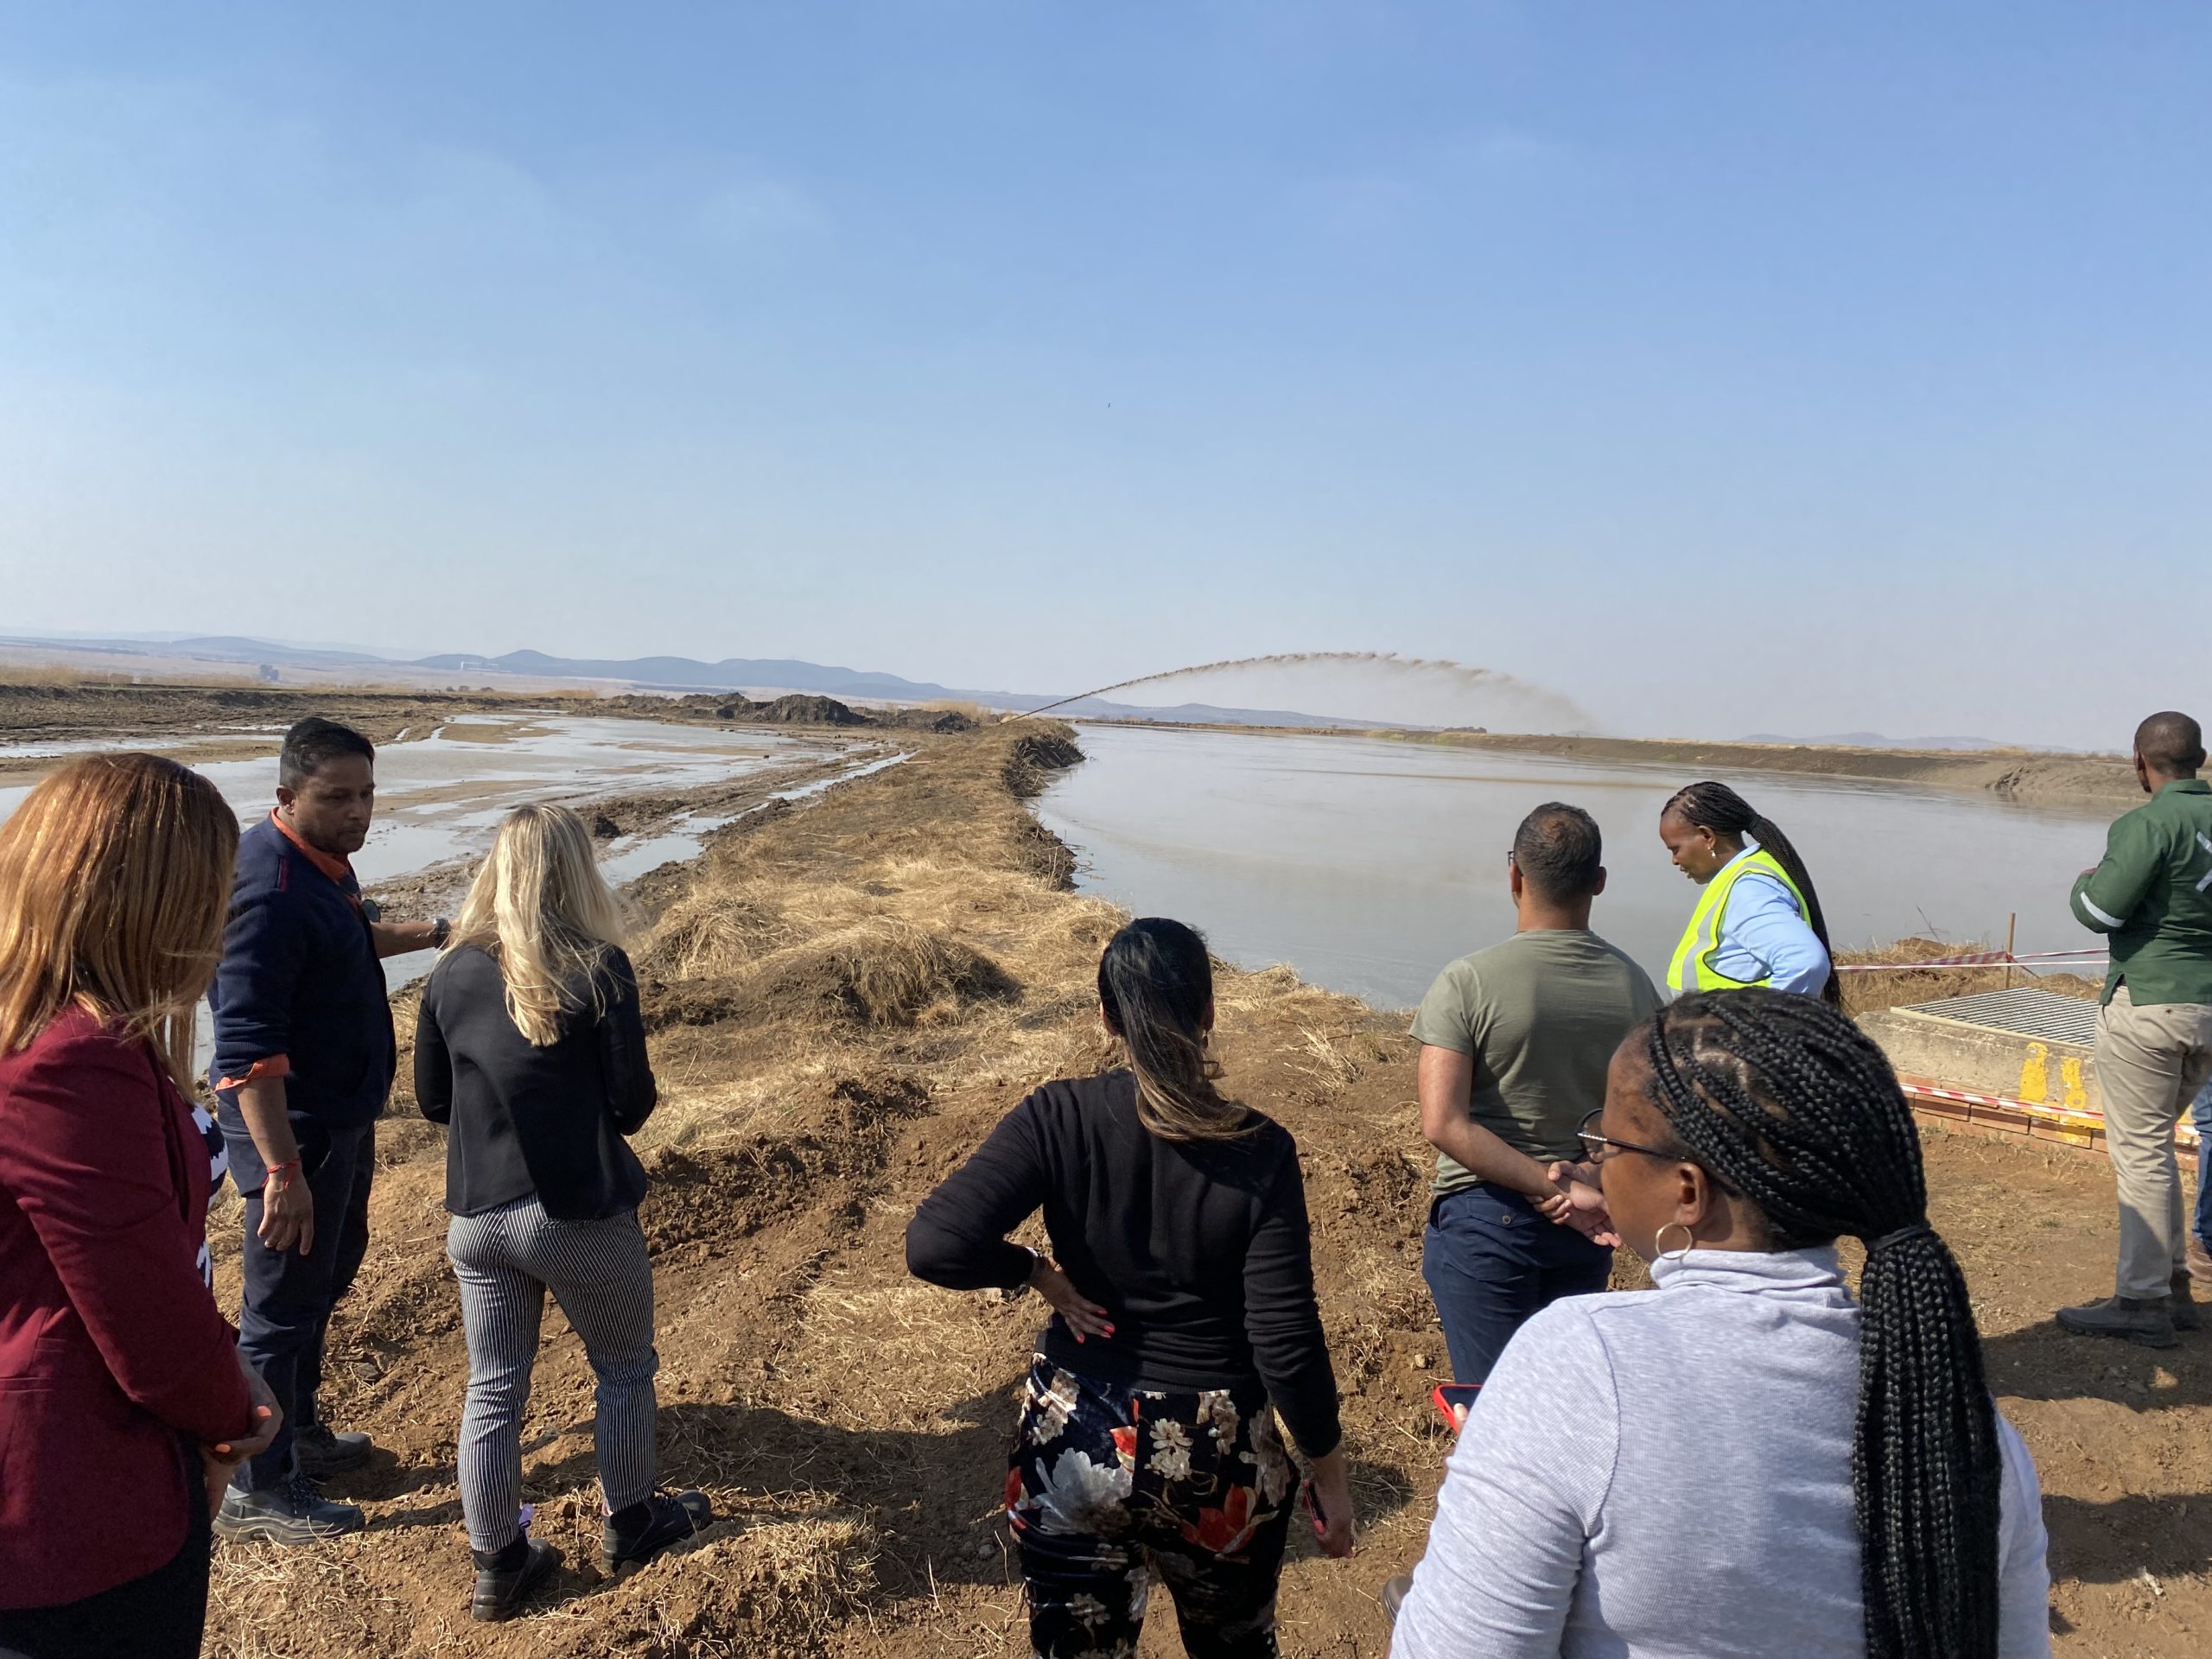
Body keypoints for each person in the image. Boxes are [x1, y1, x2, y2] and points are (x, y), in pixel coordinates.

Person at [1389, 989, 2053, 1659]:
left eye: (1607, 1143)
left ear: (1687, 1192)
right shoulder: (1973, 1434)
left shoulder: (1581, 1365)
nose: (1593, 1162)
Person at [906, 918, 1353, 1659]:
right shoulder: (1261, 1150)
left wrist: (1033, 1271)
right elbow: (1284, 1340)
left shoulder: (1057, 1115)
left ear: (1107, 1017)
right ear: (1209, 1013)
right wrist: (1328, 1474)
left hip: (1074, 1438)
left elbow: (935, 1244)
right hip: (1217, 1459)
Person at [0, 754, 281, 1659]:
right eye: (211, 892)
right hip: (70, 1505)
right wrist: (235, 1418)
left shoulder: (28, 1030)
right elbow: (143, 1317)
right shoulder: (72, 1062)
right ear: (154, 902)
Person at [415, 804, 710, 1621]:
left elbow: (433, 1102)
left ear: (496, 867)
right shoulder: (601, 965)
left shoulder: (448, 971)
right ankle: (632, 1522)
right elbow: (634, 1104)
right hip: (574, 1209)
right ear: (575, 870)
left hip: (477, 1220)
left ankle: (498, 1562)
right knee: (622, 1368)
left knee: (495, 1386)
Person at [208, 717, 447, 1542]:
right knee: (278, 1307)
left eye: (367, 794)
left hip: (337, 1122)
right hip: (294, 1135)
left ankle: (298, 1428)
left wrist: (440, 934)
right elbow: (243, 1051)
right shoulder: (266, 892)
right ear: (286, 797)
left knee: (325, 1277)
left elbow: (349, 943)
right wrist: (281, 1171)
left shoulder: (321, 867)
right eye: (337, 797)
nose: (358, 812)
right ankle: (258, 1486)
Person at [1412, 804, 1660, 1388]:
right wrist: (1590, 1181)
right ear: (1598, 882)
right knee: (1561, 1406)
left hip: (1486, 1220)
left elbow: (1443, 1123)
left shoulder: (1467, 981)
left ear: (1515, 876)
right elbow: (1650, 1121)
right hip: (1589, 1224)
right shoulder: (1637, 987)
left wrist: (1549, 1185)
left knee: (1492, 1417)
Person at [2056, 710, 2212, 1347]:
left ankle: (2141, 1300)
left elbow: (2100, 910)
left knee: (2142, 1152)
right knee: (2160, 1147)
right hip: (2206, 1007)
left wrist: (2080, 885)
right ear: (2200, 759)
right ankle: (2173, 1286)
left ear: (2139, 762)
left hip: (2148, 1003)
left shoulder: (2148, 823)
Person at [1657, 779, 1835, 1000]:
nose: (1675, 860)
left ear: (1707, 837)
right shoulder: (1744, 875)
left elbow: (1805, 962)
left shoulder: (1749, 889)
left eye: (1676, 849)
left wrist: (1760, 1027)